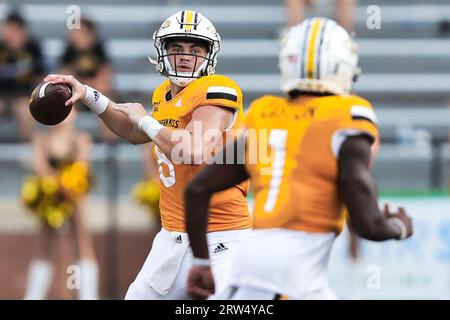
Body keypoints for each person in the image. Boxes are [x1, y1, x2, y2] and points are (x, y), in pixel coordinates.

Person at [184, 17, 413, 300]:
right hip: (292, 272)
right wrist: (399, 227)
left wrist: (202, 263)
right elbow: (367, 223)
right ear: (344, 65)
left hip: (250, 257)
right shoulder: (347, 114)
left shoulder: (264, 112)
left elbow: (197, 189)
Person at [44, 10, 251, 300]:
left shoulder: (218, 89)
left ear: (209, 55)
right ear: (162, 51)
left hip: (222, 240)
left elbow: (192, 149)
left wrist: (147, 121)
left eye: (195, 49)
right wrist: (88, 93)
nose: (184, 56)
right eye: (176, 48)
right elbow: (133, 131)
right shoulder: (163, 95)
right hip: (171, 240)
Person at [21, 108, 99, 300]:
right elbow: (39, 166)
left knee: (82, 240)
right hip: (50, 197)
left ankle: (88, 294)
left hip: (74, 196)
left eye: (67, 111)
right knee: (44, 242)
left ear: (75, 114)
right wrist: (54, 186)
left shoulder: (80, 138)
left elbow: (82, 165)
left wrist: (67, 187)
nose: (62, 117)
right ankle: (33, 295)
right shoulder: (41, 139)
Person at [60, 17, 115, 142]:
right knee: (65, 107)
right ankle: (67, 149)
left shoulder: (98, 49)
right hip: (75, 96)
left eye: (80, 32)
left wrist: (84, 87)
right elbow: (64, 75)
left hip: (96, 93)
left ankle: (110, 147)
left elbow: (105, 79)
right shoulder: (70, 50)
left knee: (108, 108)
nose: (76, 36)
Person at [0, 10, 44, 141]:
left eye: (16, 30)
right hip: (2, 94)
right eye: (9, 29)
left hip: (24, 94)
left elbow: (41, 75)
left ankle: (27, 145)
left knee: (24, 109)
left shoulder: (32, 47)